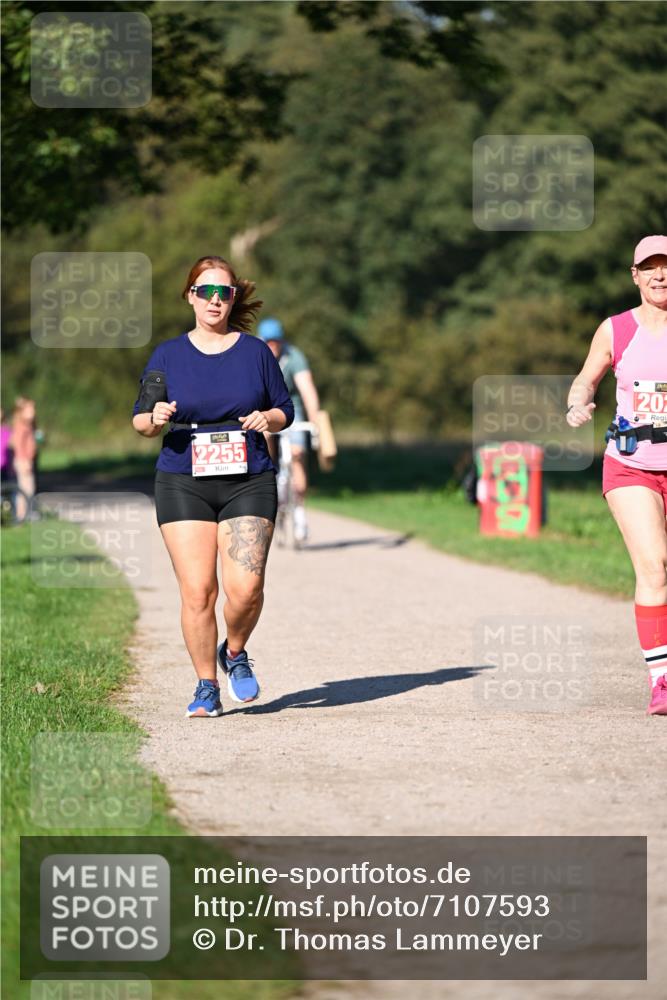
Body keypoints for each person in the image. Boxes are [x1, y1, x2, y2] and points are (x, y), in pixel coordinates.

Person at [132, 256, 294, 718]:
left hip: (249, 480)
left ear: (234, 297)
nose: (215, 300)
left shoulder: (256, 353)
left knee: (246, 589)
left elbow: (285, 409)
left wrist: (270, 417)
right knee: (199, 591)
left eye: (224, 292)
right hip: (184, 480)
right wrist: (155, 418)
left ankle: (235, 652)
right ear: (190, 296)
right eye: (206, 291)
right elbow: (141, 418)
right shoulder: (167, 355)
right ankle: (206, 685)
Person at [566, 235, 667, 716]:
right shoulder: (616, 329)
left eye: (666, 266)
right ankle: (662, 680)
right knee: (655, 566)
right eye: (650, 267)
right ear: (635, 275)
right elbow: (587, 378)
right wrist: (578, 401)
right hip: (631, 466)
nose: (660, 275)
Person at [257, 317, 321, 543]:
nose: (273, 346)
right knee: (263, 440)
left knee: (297, 454)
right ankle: (270, 476)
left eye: (276, 342)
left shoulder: (294, 357)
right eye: (268, 342)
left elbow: (307, 390)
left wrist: (315, 423)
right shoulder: (254, 356)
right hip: (263, 409)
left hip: (292, 410)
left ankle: (300, 510)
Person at [12, 397, 38, 522]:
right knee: (25, 488)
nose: (33, 411)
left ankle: (26, 513)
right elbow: (18, 444)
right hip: (23, 461)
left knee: (29, 487)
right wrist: (25, 461)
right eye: (30, 409)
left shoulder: (29, 425)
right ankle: (22, 514)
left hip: (27, 460)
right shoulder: (21, 426)